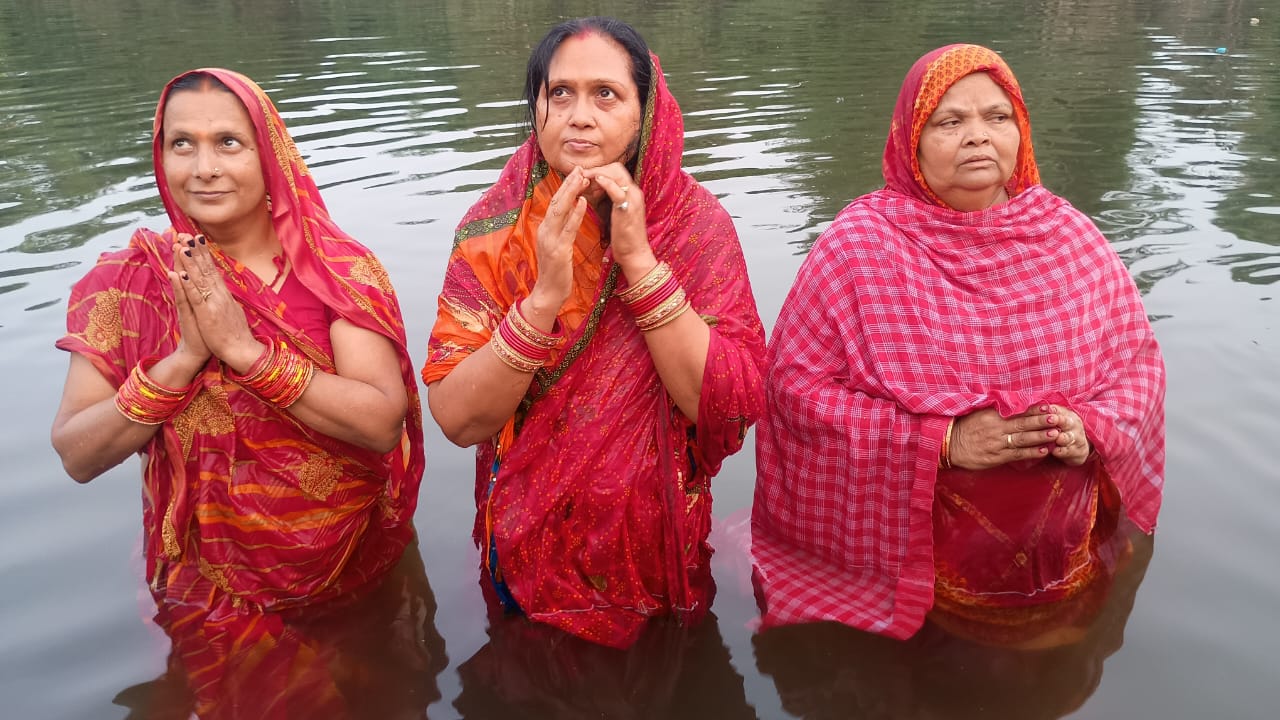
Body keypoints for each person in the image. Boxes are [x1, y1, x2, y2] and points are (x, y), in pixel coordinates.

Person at [751, 44, 1165, 639]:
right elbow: (793, 389)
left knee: (1056, 667)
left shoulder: (1068, 235)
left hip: (1064, 554)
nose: (978, 136)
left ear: (1020, 132)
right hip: (924, 567)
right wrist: (941, 441)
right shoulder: (859, 248)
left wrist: (1089, 430)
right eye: (950, 121)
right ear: (911, 141)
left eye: (997, 117)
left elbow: (1137, 370)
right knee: (933, 678)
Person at [50, 67, 425, 695]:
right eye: (182, 144)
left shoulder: (335, 273)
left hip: (347, 568)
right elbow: (76, 454)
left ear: (269, 154)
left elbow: (382, 422)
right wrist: (182, 361)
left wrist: (246, 353)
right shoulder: (126, 283)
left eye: (228, 142)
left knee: (367, 694)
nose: (204, 167)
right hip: (204, 582)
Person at [422, 17, 766, 649]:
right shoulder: (493, 229)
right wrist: (543, 299)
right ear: (537, 109)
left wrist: (639, 263)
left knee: (672, 678)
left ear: (647, 111)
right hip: (527, 549)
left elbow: (731, 403)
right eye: (560, 94)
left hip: (658, 546)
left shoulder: (697, 227)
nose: (579, 116)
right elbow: (456, 418)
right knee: (527, 674)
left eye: (606, 94)